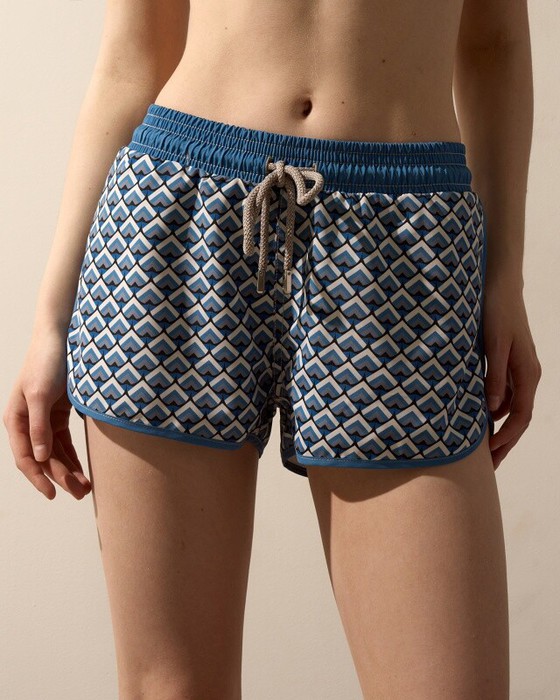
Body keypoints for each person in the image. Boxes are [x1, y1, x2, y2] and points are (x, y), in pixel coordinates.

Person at [3, 0, 540, 698]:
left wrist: (504, 280)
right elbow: (132, 61)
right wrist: (50, 320)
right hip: (178, 221)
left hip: (406, 242)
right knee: (172, 688)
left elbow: (495, 44)